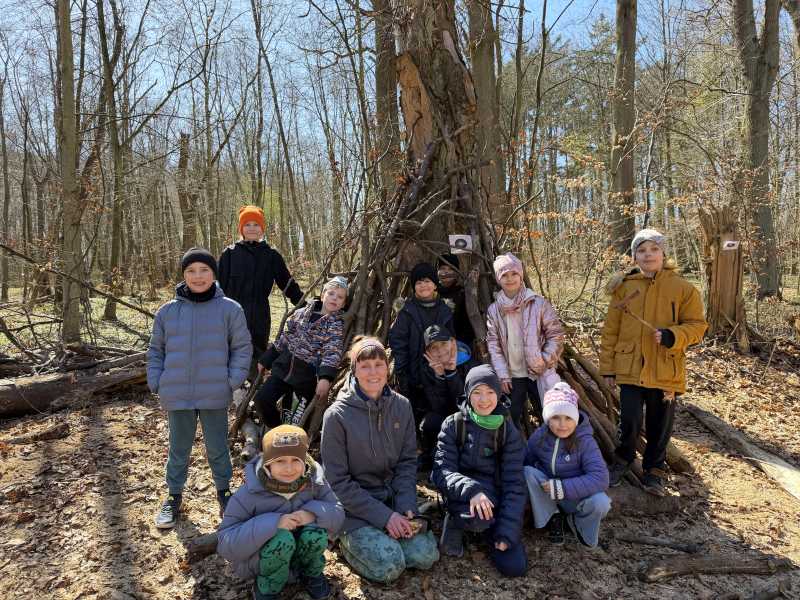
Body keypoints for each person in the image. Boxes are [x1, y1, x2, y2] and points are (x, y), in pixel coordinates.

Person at [147, 248, 252, 528]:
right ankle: (173, 497)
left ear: (213, 274)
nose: (198, 276)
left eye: (204, 270)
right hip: (177, 392)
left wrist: (232, 380)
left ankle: (224, 492)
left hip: (214, 393)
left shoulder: (230, 309)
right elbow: (156, 350)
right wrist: (156, 381)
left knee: (217, 447)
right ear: (183, 275)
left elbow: (242, 348)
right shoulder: (168, 312)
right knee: (178, 448)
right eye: (191, 271)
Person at [320, 337, 439, 583]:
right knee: (389, 567)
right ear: (355, 371)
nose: (373, 372)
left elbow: (407, 462)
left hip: (393, 499)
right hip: (354, 509)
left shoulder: (402, 406)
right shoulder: (336, 416)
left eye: (378, 364)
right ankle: (344, 540)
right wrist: (384, 518)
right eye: (365, 366)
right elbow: (338, 483)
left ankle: (385, 534)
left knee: (425, 556)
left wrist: (405, 505)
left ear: (387, 367)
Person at [599, 229, 707, 496]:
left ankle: (654, 472)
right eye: (642, 250)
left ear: (663, 253)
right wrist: (608, 367)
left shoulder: (682, 288)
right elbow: (610, 331)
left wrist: (673, 335)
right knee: (631, 418)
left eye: (653, 249)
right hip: (630, 367)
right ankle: (622, 460)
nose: (648, 255)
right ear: (635, 255)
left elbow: (697, 326)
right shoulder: (623, 286)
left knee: (661, 423)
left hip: (665, 369)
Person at [217, 425, 345, 600]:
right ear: (268, 463)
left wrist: (313, 513)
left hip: (301, 555)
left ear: (305, 461)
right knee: (281, 538)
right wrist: (273, 523)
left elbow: (338, 513)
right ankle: (268, 585)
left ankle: (310, 573)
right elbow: (225, 543)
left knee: (315, 532)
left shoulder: (315, 482)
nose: (289, 468)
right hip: (262, 561)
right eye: (280, 461)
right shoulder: (248, 493)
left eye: (295, 460)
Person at [432, 364, 527, 577]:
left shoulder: (507, 430)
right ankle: (456, 520)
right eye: (477, 393)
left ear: (499, 394)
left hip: (494, 498)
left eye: (490, 392)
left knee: (515, 567)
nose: (484, 400)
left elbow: (514, 483)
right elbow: (441, 471)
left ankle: (489, 527)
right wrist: (472, 490)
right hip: (461, 492)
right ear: (468, 394)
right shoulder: (453, 424)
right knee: (478, 519)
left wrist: (507, 532)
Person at [523, 383, 611, 547]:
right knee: (528, 472)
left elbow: (601, 478)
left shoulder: (585, 441)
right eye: (556, 417)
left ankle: (578, 524)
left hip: (575, 497)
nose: (562, 424)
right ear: (548, 418)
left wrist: (563, 487)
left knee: (601, 502)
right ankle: (552, 516)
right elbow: (526, 459)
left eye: (568, 418)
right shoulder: (540, 436)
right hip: (547, 493)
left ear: (576, 419)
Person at [254, 276, 347, 428]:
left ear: (343, 303)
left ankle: (293, 442)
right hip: (283, 369)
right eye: (331, 293)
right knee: (262, 399)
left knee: (294, 418)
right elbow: (286, 336)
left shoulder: (334, 324)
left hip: (305, 377)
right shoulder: (302, 312)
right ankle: (276, 432)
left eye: (340, 297)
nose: (334, 298)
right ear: (323, 294)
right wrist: (267, 358)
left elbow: (332, 351)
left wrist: (325, 377)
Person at [486, 253, 565, 427]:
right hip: (513, 375)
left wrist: (544, 360)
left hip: (538, 372)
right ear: (498, 279)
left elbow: (556, 335)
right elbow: (493, 344)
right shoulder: (494, 309)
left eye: (514, 273)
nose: (510, 279)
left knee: (551, 414)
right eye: (504, 275)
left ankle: (550, 452)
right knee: (510, 417)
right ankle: (513, 450)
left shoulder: (538, 303)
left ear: (521, 275)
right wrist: (502, 374)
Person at [218, 205, 303, 358]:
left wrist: (305, 305)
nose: (252, 228)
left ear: (262, 228)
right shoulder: (229, 254)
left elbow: (288, 285)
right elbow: (217, 287)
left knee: (257, 352)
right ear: (241, 228)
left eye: (256, 224)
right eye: (247, 224)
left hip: (260, 315)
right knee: (230, 351)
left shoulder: (271, 255)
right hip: (231, 315)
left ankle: (256, 379)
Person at [388, 262, 454, 422]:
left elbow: (452, 340)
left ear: (435, 284)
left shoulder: (445, 310)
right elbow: (398, 341)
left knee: (438, 413)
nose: (423, 286)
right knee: (413, 414)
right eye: (418, 282)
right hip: (413, 373)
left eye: (427, 281)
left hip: (437, 373)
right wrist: (402, 372)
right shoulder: (407, 311)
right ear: (413, 286)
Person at [417, 324, 479, 472]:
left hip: (469, 417)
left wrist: (451, 374)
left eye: (444, 343)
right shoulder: (427, 369)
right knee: (428, 423)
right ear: (427, 352)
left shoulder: (470, 364)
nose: (440, 351)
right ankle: (429, 456)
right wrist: (439, 376)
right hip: (445, 417)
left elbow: (466, 404)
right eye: (434, 347)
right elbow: (438, 407)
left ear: (453, 341)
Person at [436, 253, 475, 347]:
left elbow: (468, 328)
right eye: (443, 268)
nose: (446, 272)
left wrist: (457, 345)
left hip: (456, 346)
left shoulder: (462, 294)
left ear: (457, 272)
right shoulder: (430, 292)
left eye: (451, 269)